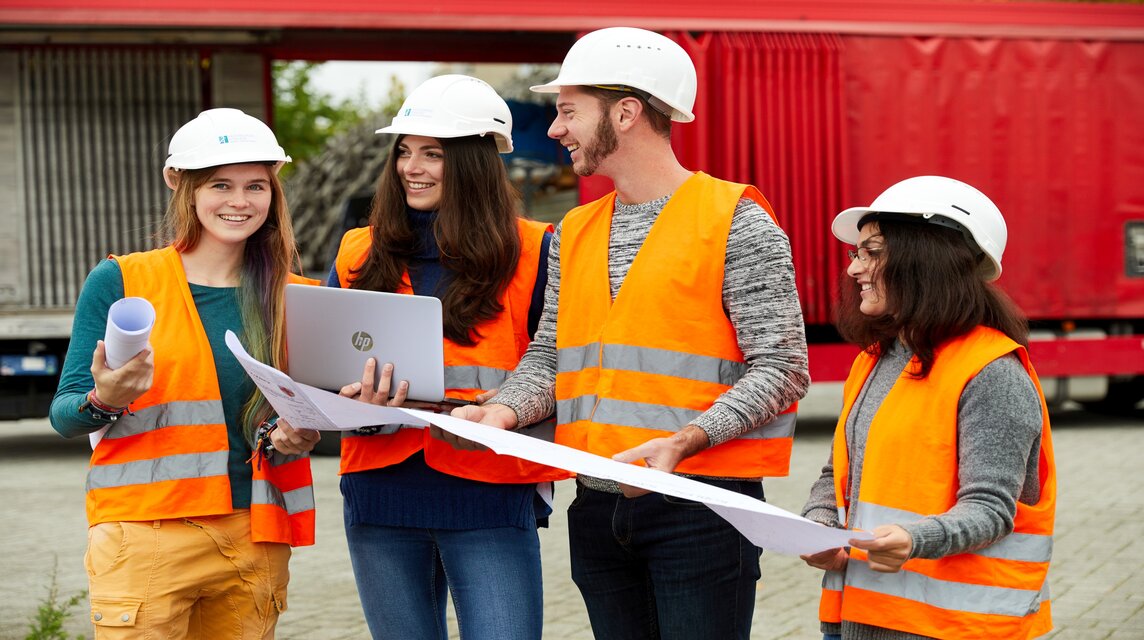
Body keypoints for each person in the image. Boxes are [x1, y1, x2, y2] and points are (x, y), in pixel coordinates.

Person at [451, 27, 810, 640]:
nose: (556, 130)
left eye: (568, 112)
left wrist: (688, 440)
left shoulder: (735, 221)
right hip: (596, 507)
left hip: (701, 504)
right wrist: (504, 413)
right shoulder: (576, 230)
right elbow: (549, 357)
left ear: (626, 112)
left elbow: (782, 366)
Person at [49, 108, 320, 639]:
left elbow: (293, 419)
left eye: (255, 186)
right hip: (145, 533)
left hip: (255, 533)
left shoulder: (296, 298)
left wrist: (297, 433)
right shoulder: (124, 280)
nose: (240, 202)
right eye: (220, 184)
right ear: (181, 184)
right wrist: (104, 398)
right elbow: (65, 415)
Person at [317, 74, 568, 640]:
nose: (413, 167)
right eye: (404, 151)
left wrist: (501, 410)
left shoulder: (535, 248)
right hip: (379, 491)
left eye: (433, 153)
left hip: (488, 490)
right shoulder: (360, 249)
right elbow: (328, 367)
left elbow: (555, 366)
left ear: (476, 161)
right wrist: (346, 396)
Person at [799, 175, 1056, 639]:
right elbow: (838, 470)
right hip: (859, 618)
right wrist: (818, 524)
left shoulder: (990, 371)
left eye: (871, 252)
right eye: (855, 254)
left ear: (927, 258)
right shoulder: (876, 359)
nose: (854, 269)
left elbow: (991, 509)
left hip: (952, 628)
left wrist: (915, 539)